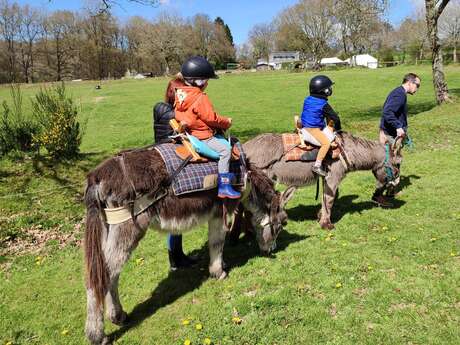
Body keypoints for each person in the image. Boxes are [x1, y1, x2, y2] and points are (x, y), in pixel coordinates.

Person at [174, 56, 240, 199]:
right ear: (200, 81)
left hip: (190, 133)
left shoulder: (181, 95)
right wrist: (226, 122)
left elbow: (180, 115)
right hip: (203, 136)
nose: (208, 83)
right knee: (225, 150)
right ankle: (224, 186)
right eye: (207, 80)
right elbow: (211, 118)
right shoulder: (200, 97)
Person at [154, 73, 198, 270]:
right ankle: (175, 259)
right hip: (171, 164)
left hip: (172, 160)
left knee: (177, 213)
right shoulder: (167, 112)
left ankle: (178, 256)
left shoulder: (168, 110)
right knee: (176, 211)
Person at [300, 75, 342, 176]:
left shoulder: (308, 99)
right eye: (328, 88)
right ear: (323, 91)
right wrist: (339, 130)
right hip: (312, 130)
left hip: (304, 125)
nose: (330, 89)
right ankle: (317, 165)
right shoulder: (323, 104)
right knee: (326, 144)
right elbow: (336, 118)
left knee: (328, 125)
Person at [379, 73, 421, 145]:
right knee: (391, 156)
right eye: (417, 85)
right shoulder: (399, 94)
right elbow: (387, 112)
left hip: (390, 133)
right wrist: (398, 126)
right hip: (390, 135)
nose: (417, 89)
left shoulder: (399, 92)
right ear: (410, 83)